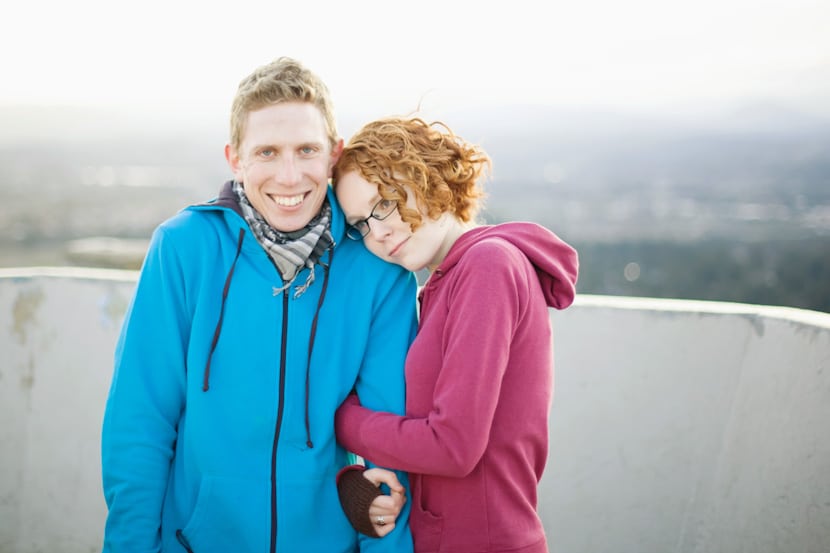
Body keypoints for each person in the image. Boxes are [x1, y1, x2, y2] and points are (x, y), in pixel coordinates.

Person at [100, 57, 418, 552]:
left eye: (306, 150)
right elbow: (140, 421)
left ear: (333, 153)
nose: (289, 177)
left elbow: (391, 446)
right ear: (235, 158)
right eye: (267, 152)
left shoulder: (379, 271)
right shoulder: (185, 249)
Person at [331, 116, 579, 553]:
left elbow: (453, 446)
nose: (378, 232)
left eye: (385, 201)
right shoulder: (442, 286)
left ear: (428, 174)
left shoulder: (488, 267)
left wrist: (341, 420)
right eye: (361, 225)